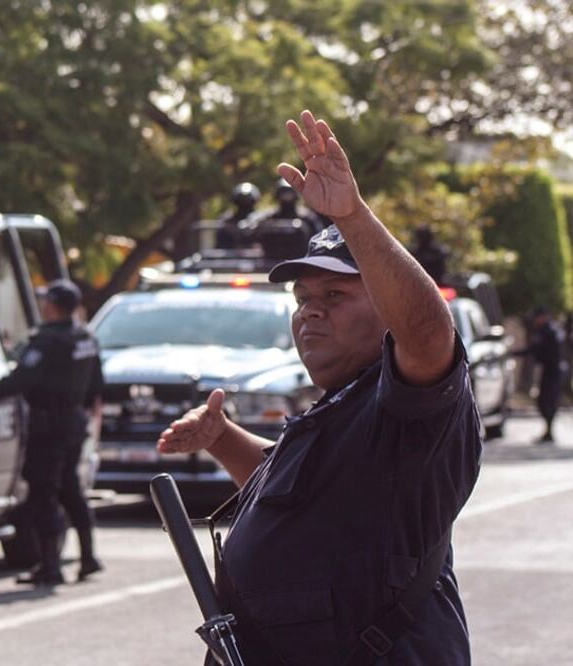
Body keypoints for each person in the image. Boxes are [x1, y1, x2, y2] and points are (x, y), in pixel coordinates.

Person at [158, 110, 481, 664]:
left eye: (334, 296)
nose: (310, 312)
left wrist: (352, 216)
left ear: (386, 310)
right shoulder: (339, 406)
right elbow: (299, 500)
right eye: (303, 299)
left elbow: (429, 332)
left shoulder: (408, 405)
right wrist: (223, 437)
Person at [0, 280, 104, 586]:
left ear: (52, 306)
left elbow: (19, 381)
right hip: (73, 423)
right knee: (71, 489)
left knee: (44, 493)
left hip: (48, 428)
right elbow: (96, 386)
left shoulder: (47, 341)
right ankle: (88, 557)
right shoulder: (86, 338)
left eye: (45, 302)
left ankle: (50, 566)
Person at [247, 177, 326, 260]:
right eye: (284, 194)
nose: (286, 197)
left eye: (289, 194)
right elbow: (252, 233)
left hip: (301, 260)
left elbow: (319, 240)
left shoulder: (307, 218)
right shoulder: (268, 218)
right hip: (271, 261)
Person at [524, 306, 566, 443]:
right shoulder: (545, 330)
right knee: (544, 401)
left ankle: (549, 432)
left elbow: (538, 350)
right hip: (548, 371)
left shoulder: (549, 331)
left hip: (552, 371)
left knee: (548, 401)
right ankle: (548, 431)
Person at [213, 182, 261, 250]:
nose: (244, 204)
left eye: (248, 201)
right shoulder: (225, 221)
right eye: (241, 201)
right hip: (230, 255)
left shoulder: (261, 220)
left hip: (256, 256)